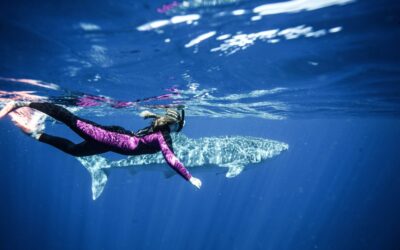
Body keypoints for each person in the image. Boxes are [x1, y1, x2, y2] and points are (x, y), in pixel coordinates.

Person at [0, 101, 202, 189]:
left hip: (114, 143)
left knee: (75, 151)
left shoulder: (160, 130)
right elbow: (170, 157)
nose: (179, 130)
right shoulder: (163, 135)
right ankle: (24, 103)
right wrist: (189, 177)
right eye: (180, 126)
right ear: (175, 124)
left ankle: (36, 134)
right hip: (110, 138)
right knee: (72, 120)